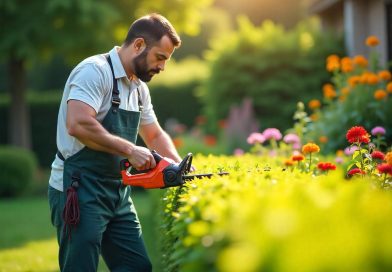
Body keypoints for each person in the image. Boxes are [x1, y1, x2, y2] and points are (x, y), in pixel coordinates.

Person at [48, 13, 182, 271]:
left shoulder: (139, 88)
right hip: (77, 188)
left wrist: (178, 167)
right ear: (139, 45)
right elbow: (77, 123)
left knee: (137, 267)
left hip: (117, 193)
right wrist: (130, 149)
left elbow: (154, 135)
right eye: (160, 57)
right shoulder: (94, 71)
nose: (163, 67)